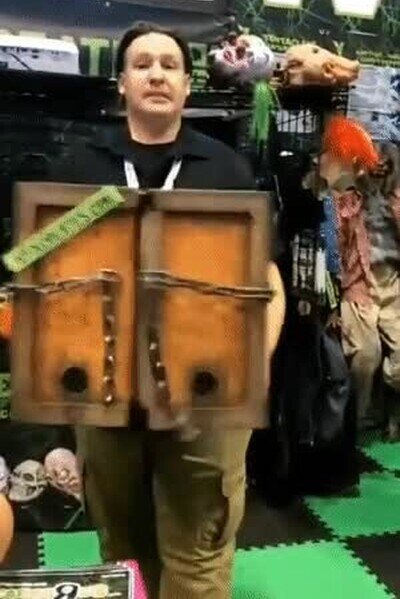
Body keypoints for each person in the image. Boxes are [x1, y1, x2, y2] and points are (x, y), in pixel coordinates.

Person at [47, 22, 285, 599]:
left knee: (198, 559)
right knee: (122, 556)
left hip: (206, 399)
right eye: (142, 64)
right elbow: (38, 276)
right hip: (107, 401)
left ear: (186, 85)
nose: (156, 75)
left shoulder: (224, 171)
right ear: (122, 82)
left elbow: (267, 281)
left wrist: (251, 363)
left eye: (170, 65)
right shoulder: (81, 168)